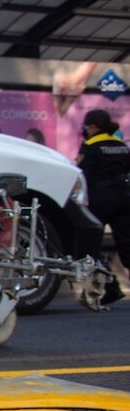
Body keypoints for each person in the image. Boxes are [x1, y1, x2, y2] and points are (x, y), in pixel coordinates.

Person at [76, 109, 130, 306]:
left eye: (87, 127)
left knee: (91, 248)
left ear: (94, 127)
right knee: (127, 245)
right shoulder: (120, 145)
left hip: (99, 202)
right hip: (123, 200)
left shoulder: (90, 146)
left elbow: (79, 173)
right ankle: (112, 287)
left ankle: (111, 286)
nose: (85, 131)